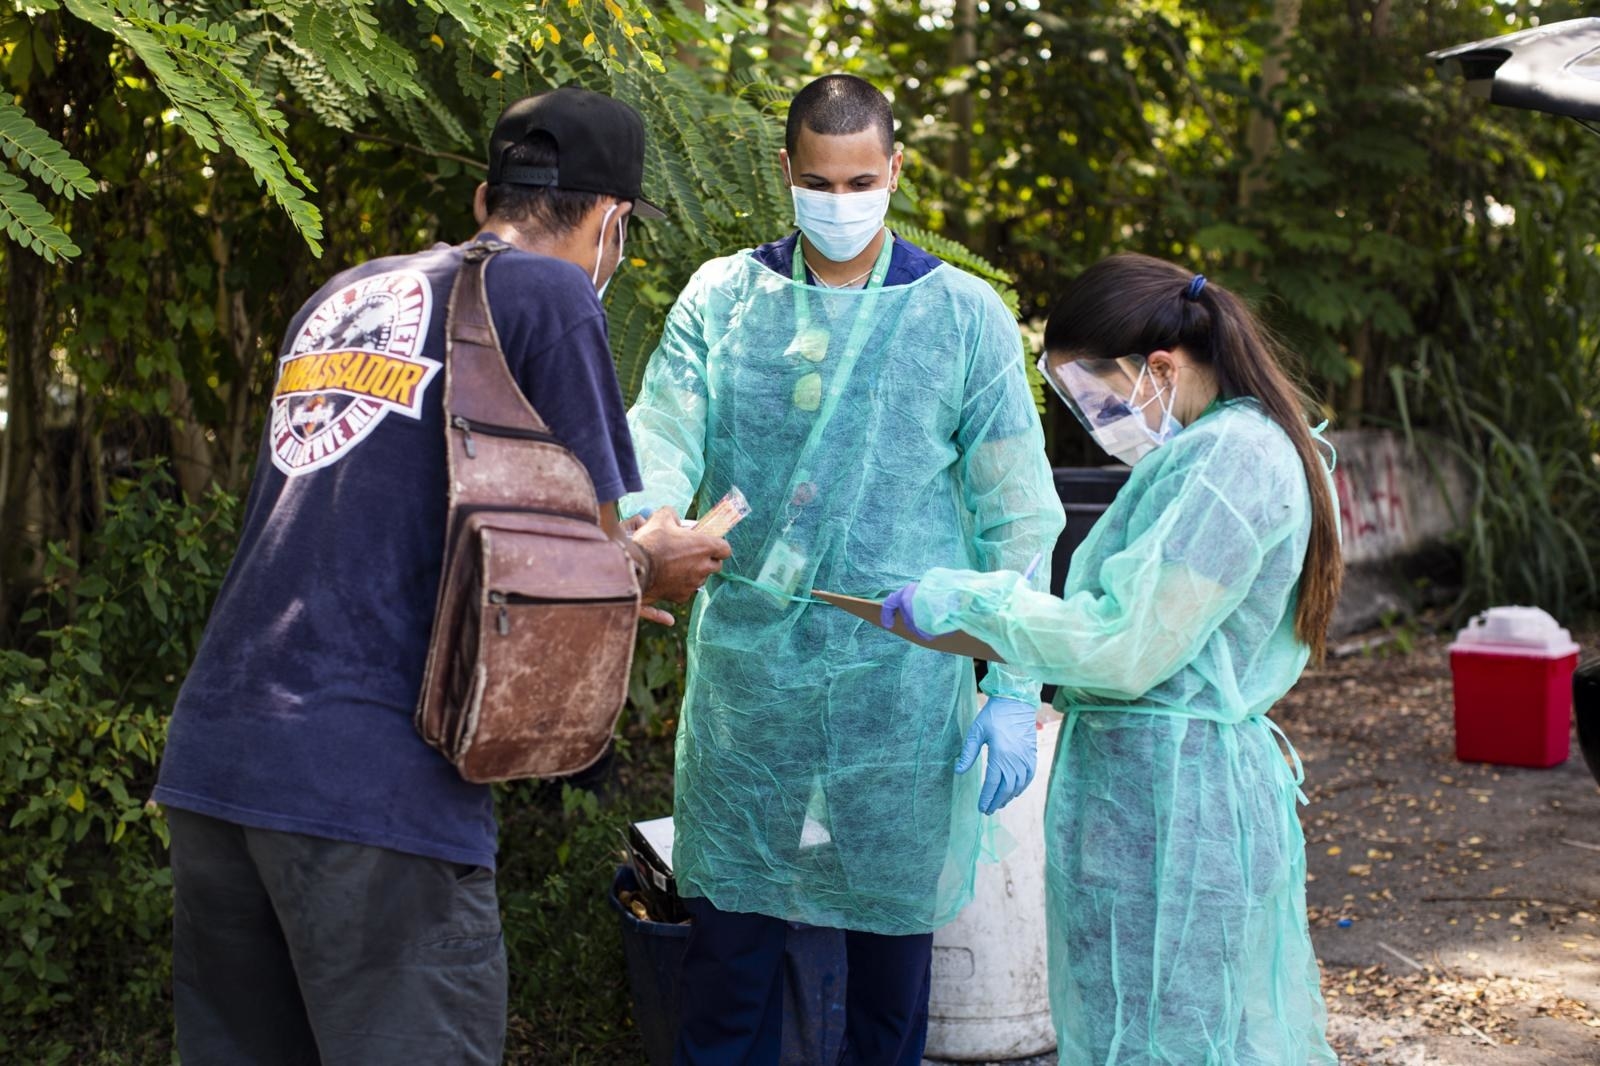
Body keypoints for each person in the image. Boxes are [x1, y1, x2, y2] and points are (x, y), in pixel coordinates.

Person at [152, 88, 731, 1064]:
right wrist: (648, 564)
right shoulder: (549, 295)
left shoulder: (344, 295)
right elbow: (582, 560)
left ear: (481, 199)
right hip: (371, 784)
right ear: (613, 222)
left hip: (218, 762)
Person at [622, 74, 1064, 1064]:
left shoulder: (963, 317)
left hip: (905, 703)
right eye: (819, 179)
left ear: (896, 171)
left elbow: (1017, 512)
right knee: (726, 977)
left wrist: (1015, 680)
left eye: (861, 177)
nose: (839, 198)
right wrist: (650, 528)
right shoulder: (725, 299)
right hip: (752, 700)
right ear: (785, 172)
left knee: (889, 998)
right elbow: (658, 438)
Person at [884, 253, 1342, 1064]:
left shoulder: (1230, 460)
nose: (1095, 417)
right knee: (1142, 1026)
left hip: (1175, 798)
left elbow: (1126, 646)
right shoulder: (1233, 446)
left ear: (1159, 368)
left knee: (1173, 1036)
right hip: (1159, 787)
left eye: (1094, 393)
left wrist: (975, 606)